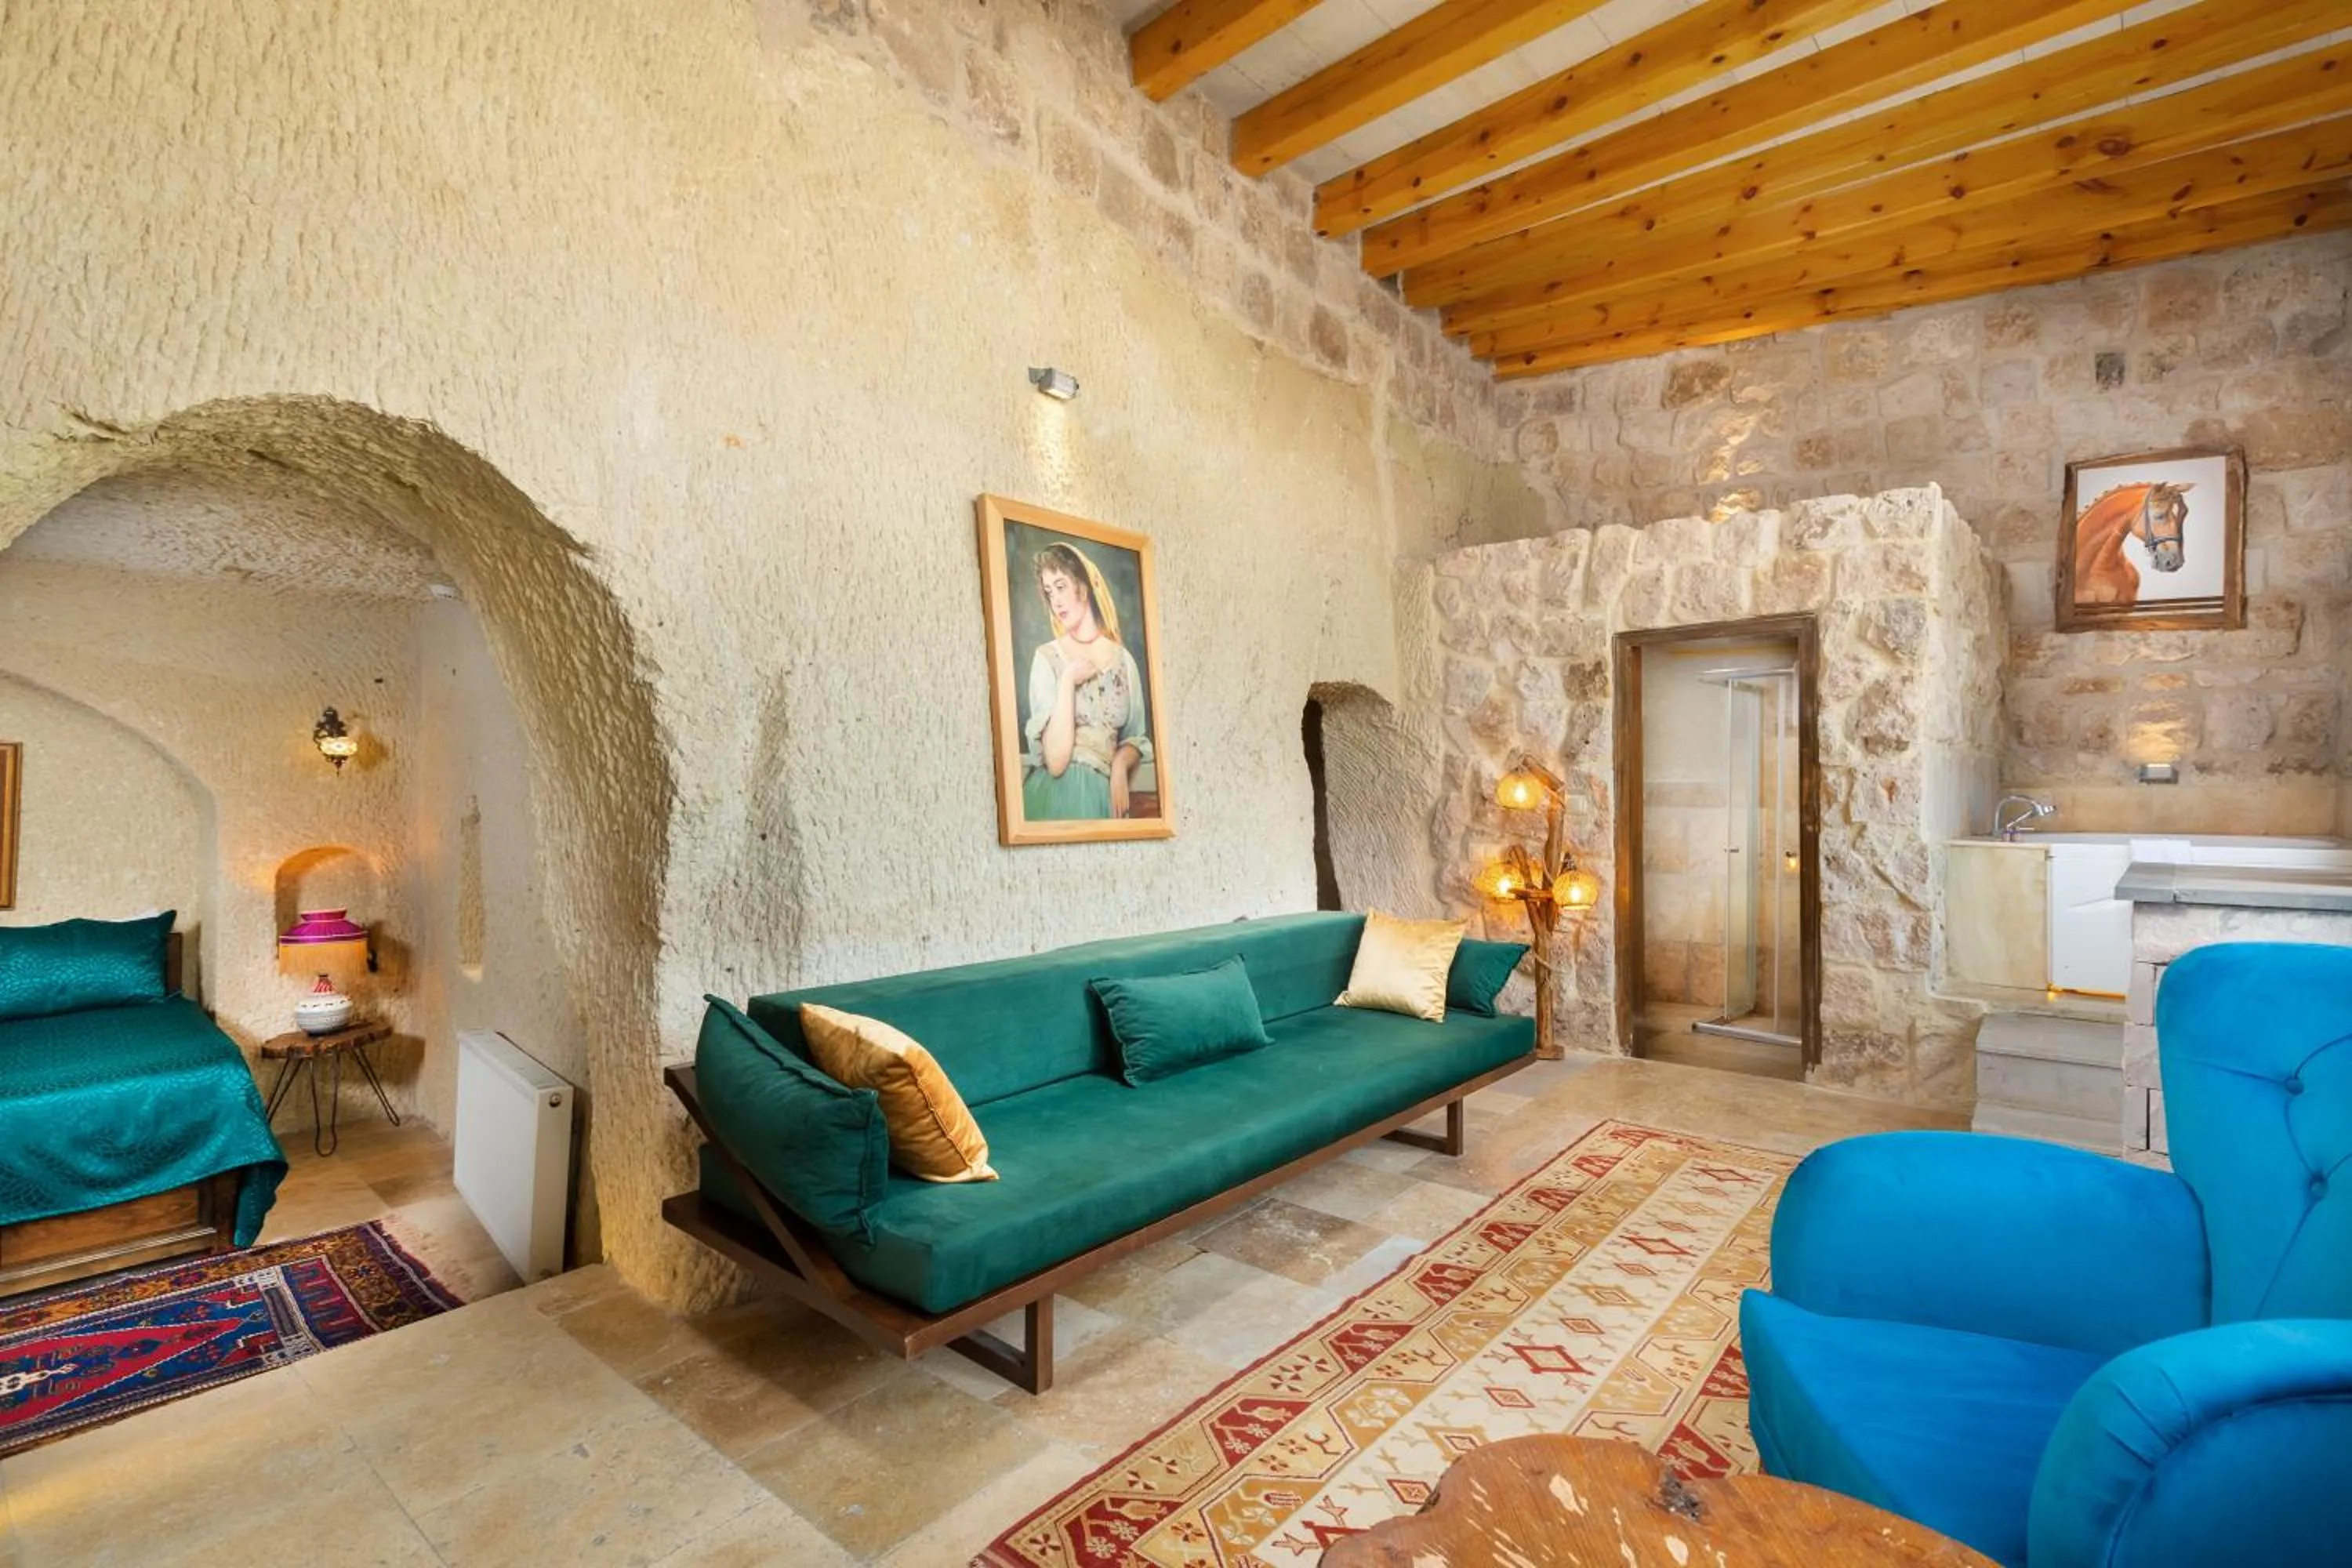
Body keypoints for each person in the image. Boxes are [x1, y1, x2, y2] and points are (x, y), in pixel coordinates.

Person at [1022, 542, 1152, 821]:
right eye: (1048, 592)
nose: (1055, 601)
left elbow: (1135, 739)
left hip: (1105, 798)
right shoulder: (1047, 658)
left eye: (1061, 586)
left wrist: (1119, 765)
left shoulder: (1124, 661)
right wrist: (1068, 680)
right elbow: (1056, 762)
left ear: (1084, 585)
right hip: (1058, 797)